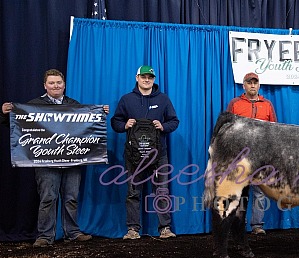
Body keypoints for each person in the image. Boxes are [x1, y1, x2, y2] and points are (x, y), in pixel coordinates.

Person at [1, 69, 109, 247]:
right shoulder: (34, 105)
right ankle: (45, 236)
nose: (56, 86)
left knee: (71, 198)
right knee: (48, 198)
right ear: (45, 86)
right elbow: (16, 124)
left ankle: (72, 233)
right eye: (52, 83)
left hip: (72, 160)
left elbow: (86, 127)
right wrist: (5, 113)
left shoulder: (74, 104)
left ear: (64, 85)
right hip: (45, 162)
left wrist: (100, 114)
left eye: (59, 82)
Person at [111, 65, 179, 240]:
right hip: (134, 156)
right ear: (137, 77)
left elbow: (174, 121)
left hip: (158, 155)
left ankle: (165, 228)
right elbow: (115, 122)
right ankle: (133, 229)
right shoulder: (127, 99)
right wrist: (124, 125)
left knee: (162, 191)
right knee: (133, 192)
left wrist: (163, 126)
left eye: (150, 77)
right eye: (143, 77)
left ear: (154, 79)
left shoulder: (163, 99)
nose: (147, 80)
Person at [226, 72, 277, 235]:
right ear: (244, 85)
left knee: (260, 191)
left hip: (261, 155)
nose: (252, 85)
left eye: (255, 82)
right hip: (239, 155)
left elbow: (274, 130)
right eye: (249, 82)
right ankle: (239, 224)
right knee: (239, 191)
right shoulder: (235, 103)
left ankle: (257, 225)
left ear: (259, 85)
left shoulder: (267, 104)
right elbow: (227, 129)